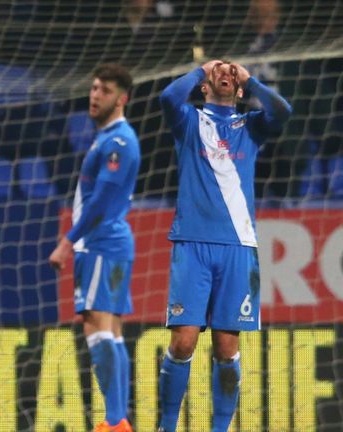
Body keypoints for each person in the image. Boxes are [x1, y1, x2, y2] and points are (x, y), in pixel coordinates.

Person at [156, 60, 291, 432]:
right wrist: (202, 69)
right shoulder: (188, 121)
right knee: (183, 344)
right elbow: (168, 96)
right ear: (203, 86)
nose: (226, 73)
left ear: (241, 89)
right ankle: (167, 427)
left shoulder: (251, 127)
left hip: (238, 247)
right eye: (219, 72)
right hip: (193, 245)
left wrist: (251, 80)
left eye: (232, 73)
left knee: (226, 349)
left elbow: (283, 110)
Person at [49, 64, 139, 432]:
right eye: (94, 87)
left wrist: (67, 241)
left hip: (101, 242)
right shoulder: (108, 138)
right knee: (111, 330)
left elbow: (101, 201)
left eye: (103, 90)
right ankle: (117, 419)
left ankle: (114, 420)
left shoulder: (118, 141)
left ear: (121, 99)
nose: (95, 94)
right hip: (108, 243)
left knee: (98, 326)